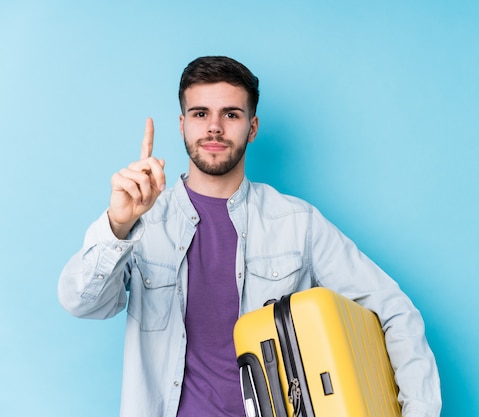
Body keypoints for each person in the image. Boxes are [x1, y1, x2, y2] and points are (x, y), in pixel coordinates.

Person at [58, 56, 441, 417]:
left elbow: (394, 309)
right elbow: (82, 302)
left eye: (231, 114)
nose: (214, 127)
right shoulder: (143, 218)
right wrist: (118, 224)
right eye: (200, 113)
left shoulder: (297, 223)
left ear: (252, 128)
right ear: (182, 124)